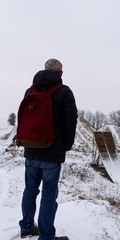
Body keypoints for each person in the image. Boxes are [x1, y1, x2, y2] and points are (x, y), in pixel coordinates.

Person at [18, 58, 78, 240]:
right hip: (52, 153)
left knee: (30, 190)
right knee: (48, 196)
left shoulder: (30, 90)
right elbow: (70, 123)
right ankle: (46, 236)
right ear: (60, 73)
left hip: (31, 149)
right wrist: (65, 146)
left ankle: (27, 226)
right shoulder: (64, 92)